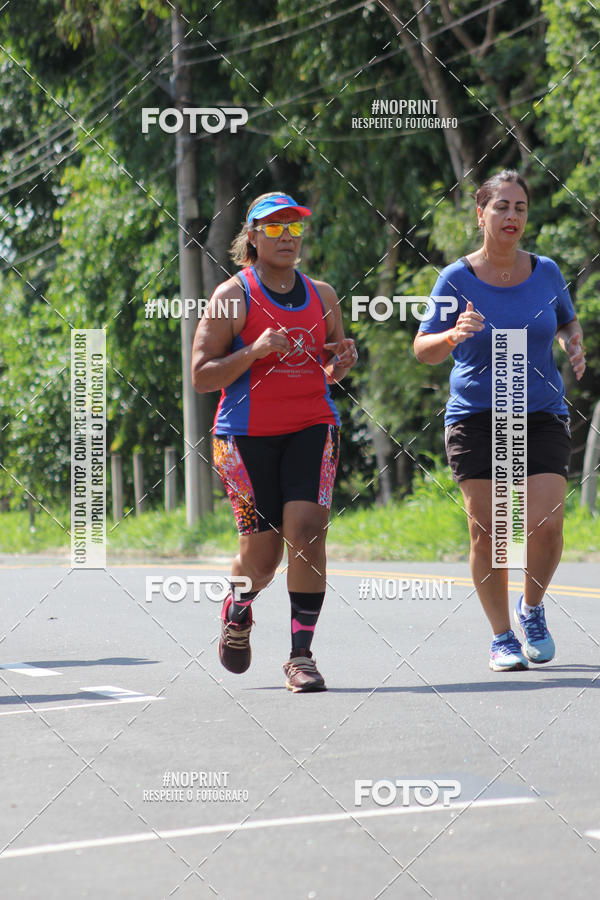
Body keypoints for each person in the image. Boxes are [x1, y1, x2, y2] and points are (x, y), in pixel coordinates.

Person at [414, 170, 585, 672]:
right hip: (477, 414)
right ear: (480, 213)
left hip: (540, 410)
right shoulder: (455, 278)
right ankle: (501, 637)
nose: (512, 216)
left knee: (545, 525)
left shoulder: (546, 271)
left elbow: (566, 319)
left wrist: (572, 342)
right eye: (502, 207)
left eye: (520, 207)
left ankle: (531, 608)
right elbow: (422, 349)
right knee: (490, 530)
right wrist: (452, 335)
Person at [191, 191, 357, 692]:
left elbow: (327, 368)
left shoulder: (322, 295)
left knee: (307, 532)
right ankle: (238, 608)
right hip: (245, 436)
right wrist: (254, 351)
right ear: (253, 236)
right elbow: (201, 375)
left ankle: (301, 656)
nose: (287, 237)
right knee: (262, 559)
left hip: (312, 424)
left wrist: (340, 364)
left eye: (294, 227)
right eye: (275, 227)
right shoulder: (232, 296)